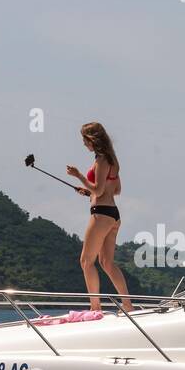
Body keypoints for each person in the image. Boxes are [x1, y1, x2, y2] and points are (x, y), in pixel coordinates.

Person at [66, 122, 133, 312]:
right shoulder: (112, 160)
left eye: (84, 140)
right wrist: (88, 193)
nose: (83, 144)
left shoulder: (101, 160)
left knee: (86, 261)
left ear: (92, 139)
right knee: (106, 262)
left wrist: (79, 175)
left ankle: (95, 308)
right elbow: (116, 190)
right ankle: (127, 305)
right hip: (113, 214)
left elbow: (99, 189)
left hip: (101, 214)